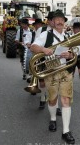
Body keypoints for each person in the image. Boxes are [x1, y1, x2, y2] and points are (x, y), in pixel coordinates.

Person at [30, 10, 75, 144]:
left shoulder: (68, 36)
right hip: (51, 71)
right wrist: (44, 50)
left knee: (66, 99)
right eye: (57, 19)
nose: (60, 21)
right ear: (52, 22)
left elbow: (75, 53)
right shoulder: (45, 34)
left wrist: (70, 55)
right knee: (53, 99)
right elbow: (33, 47)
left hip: (66, 71)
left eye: (62, 19)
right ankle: (53, 119)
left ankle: (66, 131)